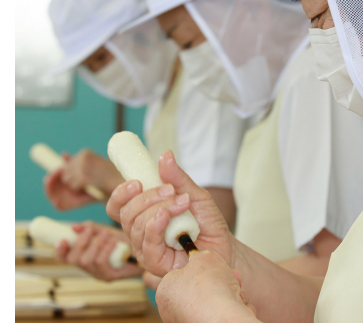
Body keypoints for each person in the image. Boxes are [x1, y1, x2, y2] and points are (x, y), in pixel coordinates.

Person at [105, 0, 363, 322]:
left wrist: (216, 315)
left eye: (319, 18)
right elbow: (346, 307)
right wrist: (227, 260)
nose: (318, 48)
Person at [45, 0, 247, 228]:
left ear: (142, 31)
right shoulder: (160, 101)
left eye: (102, 58)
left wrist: (114, 178)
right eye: (91, 67)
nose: (103, 73)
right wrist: (105, 191)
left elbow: (215, 220)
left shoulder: (206, 85)